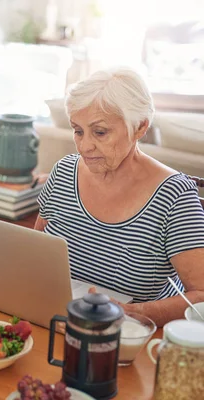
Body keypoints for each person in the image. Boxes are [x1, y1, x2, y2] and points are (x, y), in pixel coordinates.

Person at [35, 67, 204, 326]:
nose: (84, 146)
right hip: (59, 320)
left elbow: (200, 297)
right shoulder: (64, 172)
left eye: (100, 132)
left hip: (132, 336)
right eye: (78, 130)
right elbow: (35, 252)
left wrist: (134, 312)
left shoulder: (174, 196)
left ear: (139, 127)